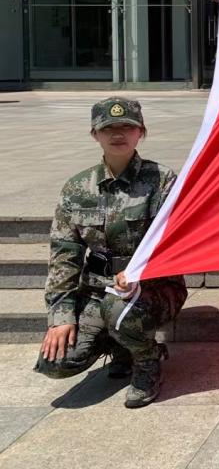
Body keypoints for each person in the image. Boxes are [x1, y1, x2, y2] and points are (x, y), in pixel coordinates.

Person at [34, 98, 186, 409]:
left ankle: (147, 360)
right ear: (95, 134)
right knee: (57, 362)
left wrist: (140, 274)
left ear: (141, 132)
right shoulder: (77, 189)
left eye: (127, 127)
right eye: (109, 128)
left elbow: (175, 241)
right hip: (97, 291)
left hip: (154, 289)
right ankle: (121, 348)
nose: (118, 134)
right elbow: (64, 257)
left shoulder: (162, 181)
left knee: (119, 309)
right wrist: (61, 318)